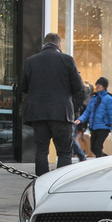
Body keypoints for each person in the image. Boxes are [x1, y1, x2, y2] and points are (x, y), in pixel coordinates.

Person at [21, 32, 84, 176]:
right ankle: (60, 181)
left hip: (37, 114)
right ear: (59, 45)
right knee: (64, 151)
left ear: (44, 44)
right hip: (61, 112)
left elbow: (23, 87)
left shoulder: (30, 61)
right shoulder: (67, 60)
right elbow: (78, 86)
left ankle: (41, 181)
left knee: (41, 150)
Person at [75, 77, 112, 157]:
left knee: (97, 148)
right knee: (93, 148)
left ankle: (102, 164)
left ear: (104, 86)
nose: (97, 86)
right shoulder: (94, 98)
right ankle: (106, 160)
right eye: (97, 85)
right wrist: (80, 120)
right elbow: (87, 112)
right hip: (94, 127)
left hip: (103, 128)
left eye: (99, 85)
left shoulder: (109, 99)